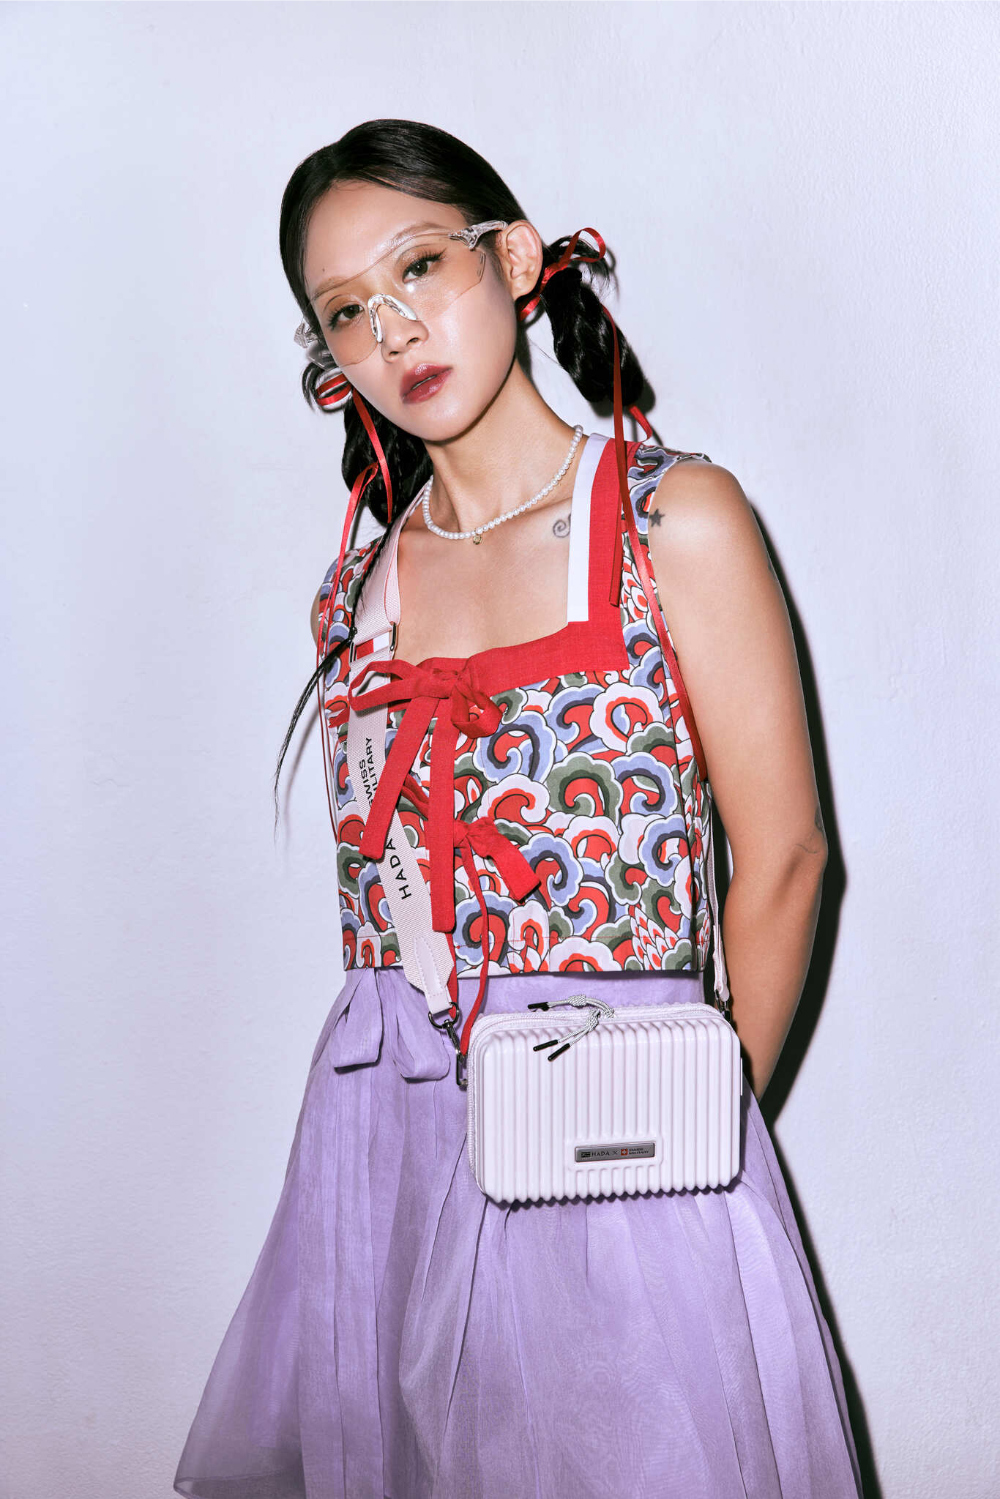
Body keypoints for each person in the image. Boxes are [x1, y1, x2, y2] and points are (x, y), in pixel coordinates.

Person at [174, 118, 863, 1499]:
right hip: (387, 1154)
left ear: (516, 258)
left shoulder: (672, 521)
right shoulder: (354, 595)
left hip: (614, 1128)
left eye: (420, 265)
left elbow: (786, 858)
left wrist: (686, 1139)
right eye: (346, 310)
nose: (393, 327)